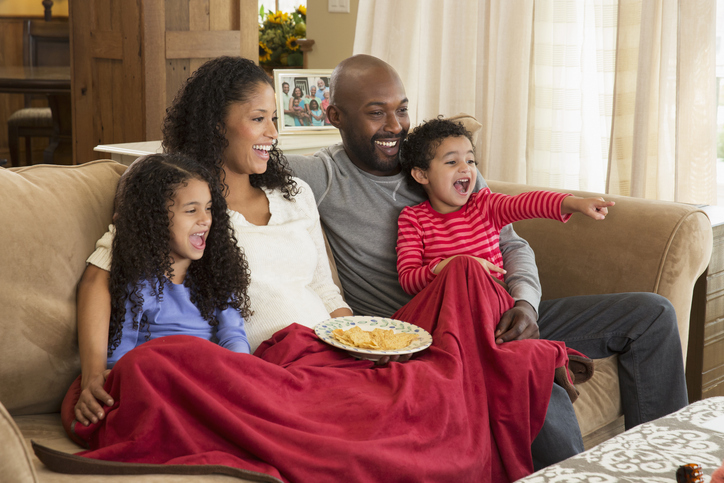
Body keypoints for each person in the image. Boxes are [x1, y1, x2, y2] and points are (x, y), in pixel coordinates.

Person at [285, 54, 688, 469]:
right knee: (530, 374)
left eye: (402, 109)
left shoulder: (448, 163)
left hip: (500, 314)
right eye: (376, 113)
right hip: (430, 334)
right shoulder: (323, 177)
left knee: (651, 314)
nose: (394, 126)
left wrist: (525, 305)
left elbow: (512, 243)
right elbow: (240, 158)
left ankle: (665, 467)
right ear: (335, 115)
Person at [73, 56, 351, 427]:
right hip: (268, 367)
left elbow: (324, 289)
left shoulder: (295, 193)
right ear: (216, 126)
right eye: (258, 119)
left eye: (274, 119)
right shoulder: (179, 204)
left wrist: (359, 340)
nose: (273, 133)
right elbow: (100, 278)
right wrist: (95, 374)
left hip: (328, 353)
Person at [396, 117, 614, 296]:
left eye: (470, 161)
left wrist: (574, 203)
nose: (466, 168)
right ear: (422, 174)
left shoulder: (485, 204)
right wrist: (455, 265)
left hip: (496, 307)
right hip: (447, 312)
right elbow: (409, 280)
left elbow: (527, 203)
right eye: (452, 162)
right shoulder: (413, 219)